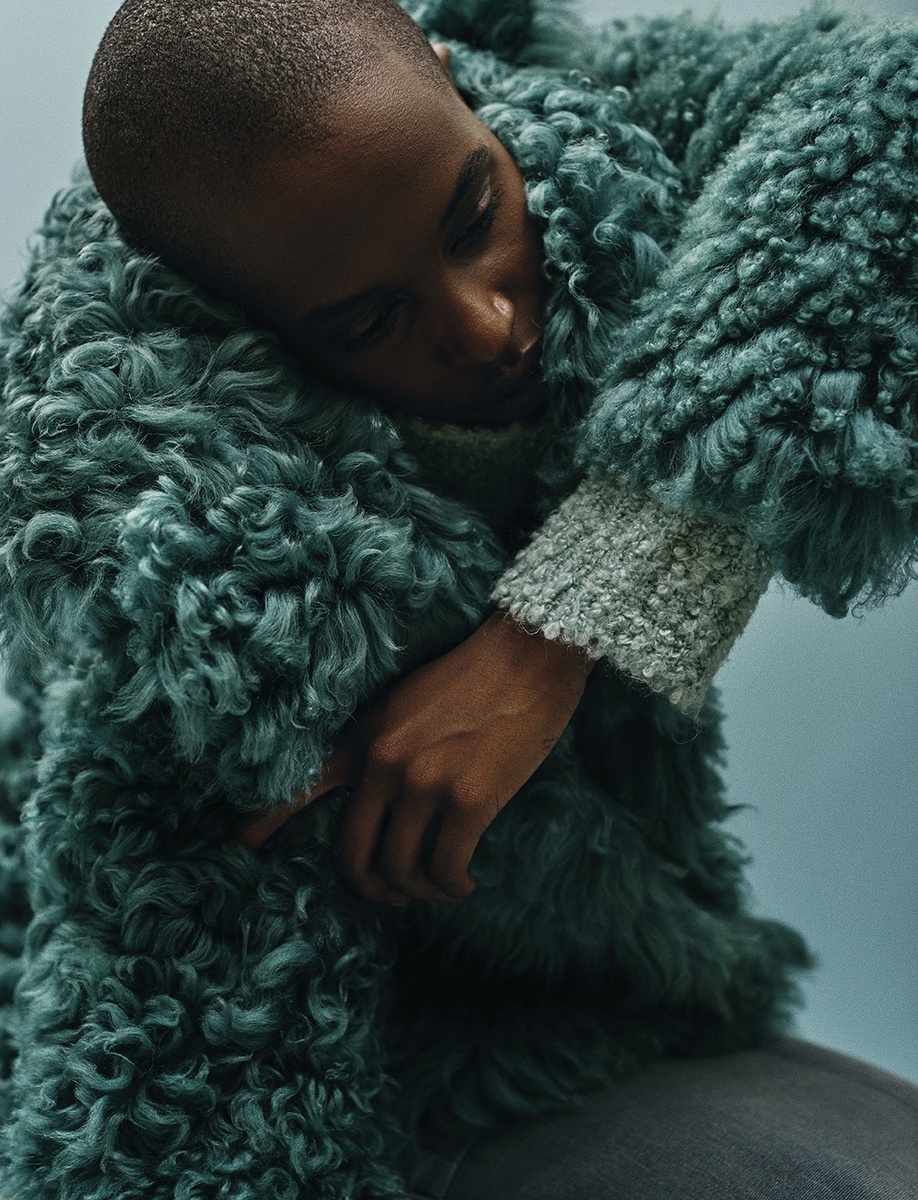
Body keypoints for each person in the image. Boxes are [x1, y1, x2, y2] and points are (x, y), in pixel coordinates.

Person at [0, 0, 915, 1197]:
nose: (488, 325)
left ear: (455, 83)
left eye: (475, 218)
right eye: (372, 319)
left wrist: (566, 622)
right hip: (393, 1080)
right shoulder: (211, 615)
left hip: (635, 1008)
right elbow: (164, 1086)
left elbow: (890, 113)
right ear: (224, 316)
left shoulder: (570, 118)